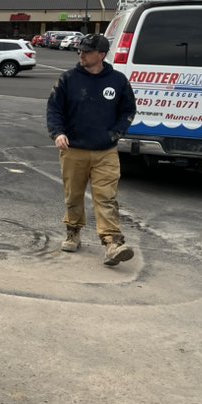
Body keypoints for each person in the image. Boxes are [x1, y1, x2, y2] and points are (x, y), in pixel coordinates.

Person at [46, 33, 136, 266]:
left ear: (101, 55)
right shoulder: (68, 79)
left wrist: (116, 133)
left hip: (105, 151)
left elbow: (128, 111)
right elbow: (54, 110)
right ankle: (73, 231)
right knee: (73, 195)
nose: (81, 54)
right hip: (73, 149)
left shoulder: (118, 81)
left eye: (87, 51)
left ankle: (112, 243)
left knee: (106, 197)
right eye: (80, 51)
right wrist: (58, 133)